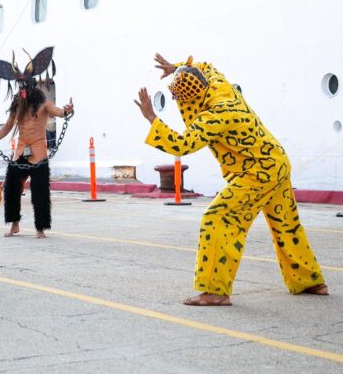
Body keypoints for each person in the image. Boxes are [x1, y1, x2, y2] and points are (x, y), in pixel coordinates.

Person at [135, 53, 328, 306]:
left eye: (178, 97)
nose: (174, 99)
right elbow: (206, 66)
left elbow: (182, 145)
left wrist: (151, 117)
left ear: (190, 98)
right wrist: (177, 67)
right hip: (277, 161)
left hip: (259, 172)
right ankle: (310, 281)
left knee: (218, 218)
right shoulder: (219, 85)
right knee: (286, 226)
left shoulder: (215, 116)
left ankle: (215, 291)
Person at [0, 47, 74, 239]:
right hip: (20, 152)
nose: (22, 89)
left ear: (32, 87)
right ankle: (14, 224)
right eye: (20, 85)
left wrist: (67, 111)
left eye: (25, 85)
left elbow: (59, 112)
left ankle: (40, 228)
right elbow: (8, 126)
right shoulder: (17, 106)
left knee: (40, 192)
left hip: (39, 152)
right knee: (11, 189)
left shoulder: (44, 104)